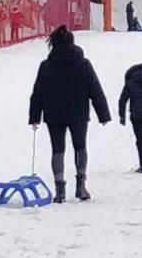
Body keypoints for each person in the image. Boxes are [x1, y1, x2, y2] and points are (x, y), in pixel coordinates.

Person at [29, 26, 111, 203]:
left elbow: (38, 92)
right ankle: (81, 185)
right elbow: (94, 88)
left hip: (53, 114)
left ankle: (59, 189)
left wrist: (34, 116)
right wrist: (103, 113)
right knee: (80, 147)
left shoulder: (46, 65)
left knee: (57, 149)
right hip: (78, 112)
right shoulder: (83, 63)